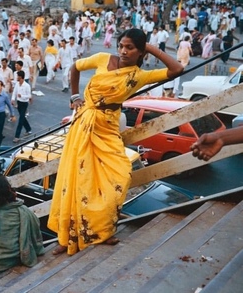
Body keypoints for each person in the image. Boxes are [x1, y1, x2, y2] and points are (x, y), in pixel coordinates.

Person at [48, 28, 183, 256]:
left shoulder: (139, 76)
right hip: (84, 124)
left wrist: (150, 47)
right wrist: (74, 96)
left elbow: (177, 69)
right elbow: (74, 67)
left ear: (140, 52)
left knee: (119, 174)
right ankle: (66, 236)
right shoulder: (103, 59)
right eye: (121, 46)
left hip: (109, 128)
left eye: (130, 48)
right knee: (77, 179)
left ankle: (101, 229)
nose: (123, 51)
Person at [12, 71, 32, 143]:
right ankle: (28, 129)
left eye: (18, 76)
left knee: (20, 120)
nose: (17, 77)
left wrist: (22, 96)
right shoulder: (17, 84)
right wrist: (13, 99)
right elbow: (14, 92)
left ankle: (17, 136)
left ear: (21, 77)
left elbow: (29, 96)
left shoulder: (27, 86)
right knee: (22, 117)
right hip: (19, 103)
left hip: (24, 103)